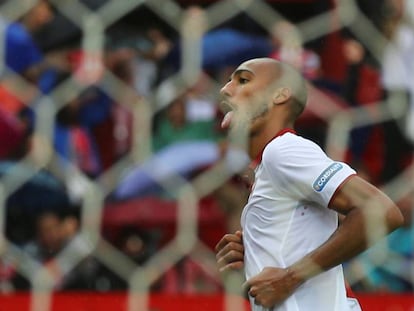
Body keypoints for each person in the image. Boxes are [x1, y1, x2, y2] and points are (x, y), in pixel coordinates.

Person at [214, 58, 403, 310]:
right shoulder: (266, 168)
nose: (225, 89)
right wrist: (251, 255)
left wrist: (290, 277)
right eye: (228, 81)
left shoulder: (283, 151)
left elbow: (380, 211)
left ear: (280, 94)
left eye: (243, 80)